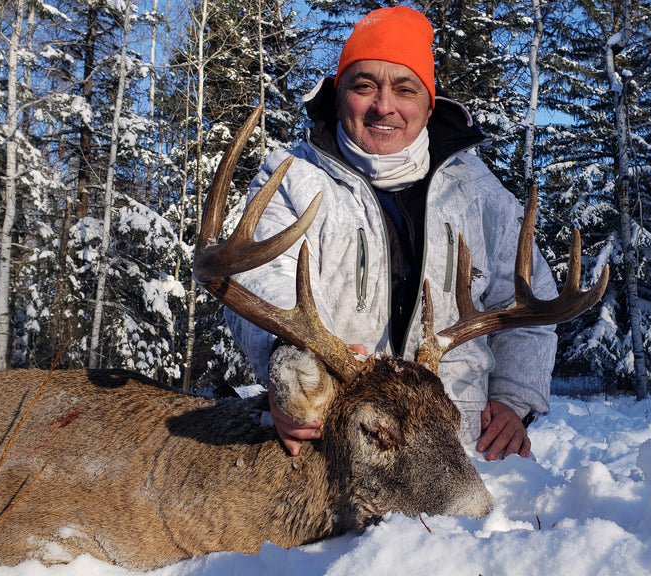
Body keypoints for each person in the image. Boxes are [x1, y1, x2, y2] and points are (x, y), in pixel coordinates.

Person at [225, 5, 558, 461]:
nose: (384, 106)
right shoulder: (293, 180)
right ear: (339, 94)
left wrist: (514, 402)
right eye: (364, 86)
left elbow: (526, 304)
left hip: (459, 448)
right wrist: (294, 380)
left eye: (404, 89)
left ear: (428, 104)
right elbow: (259, 282)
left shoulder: (481, 195)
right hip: (336, 444)